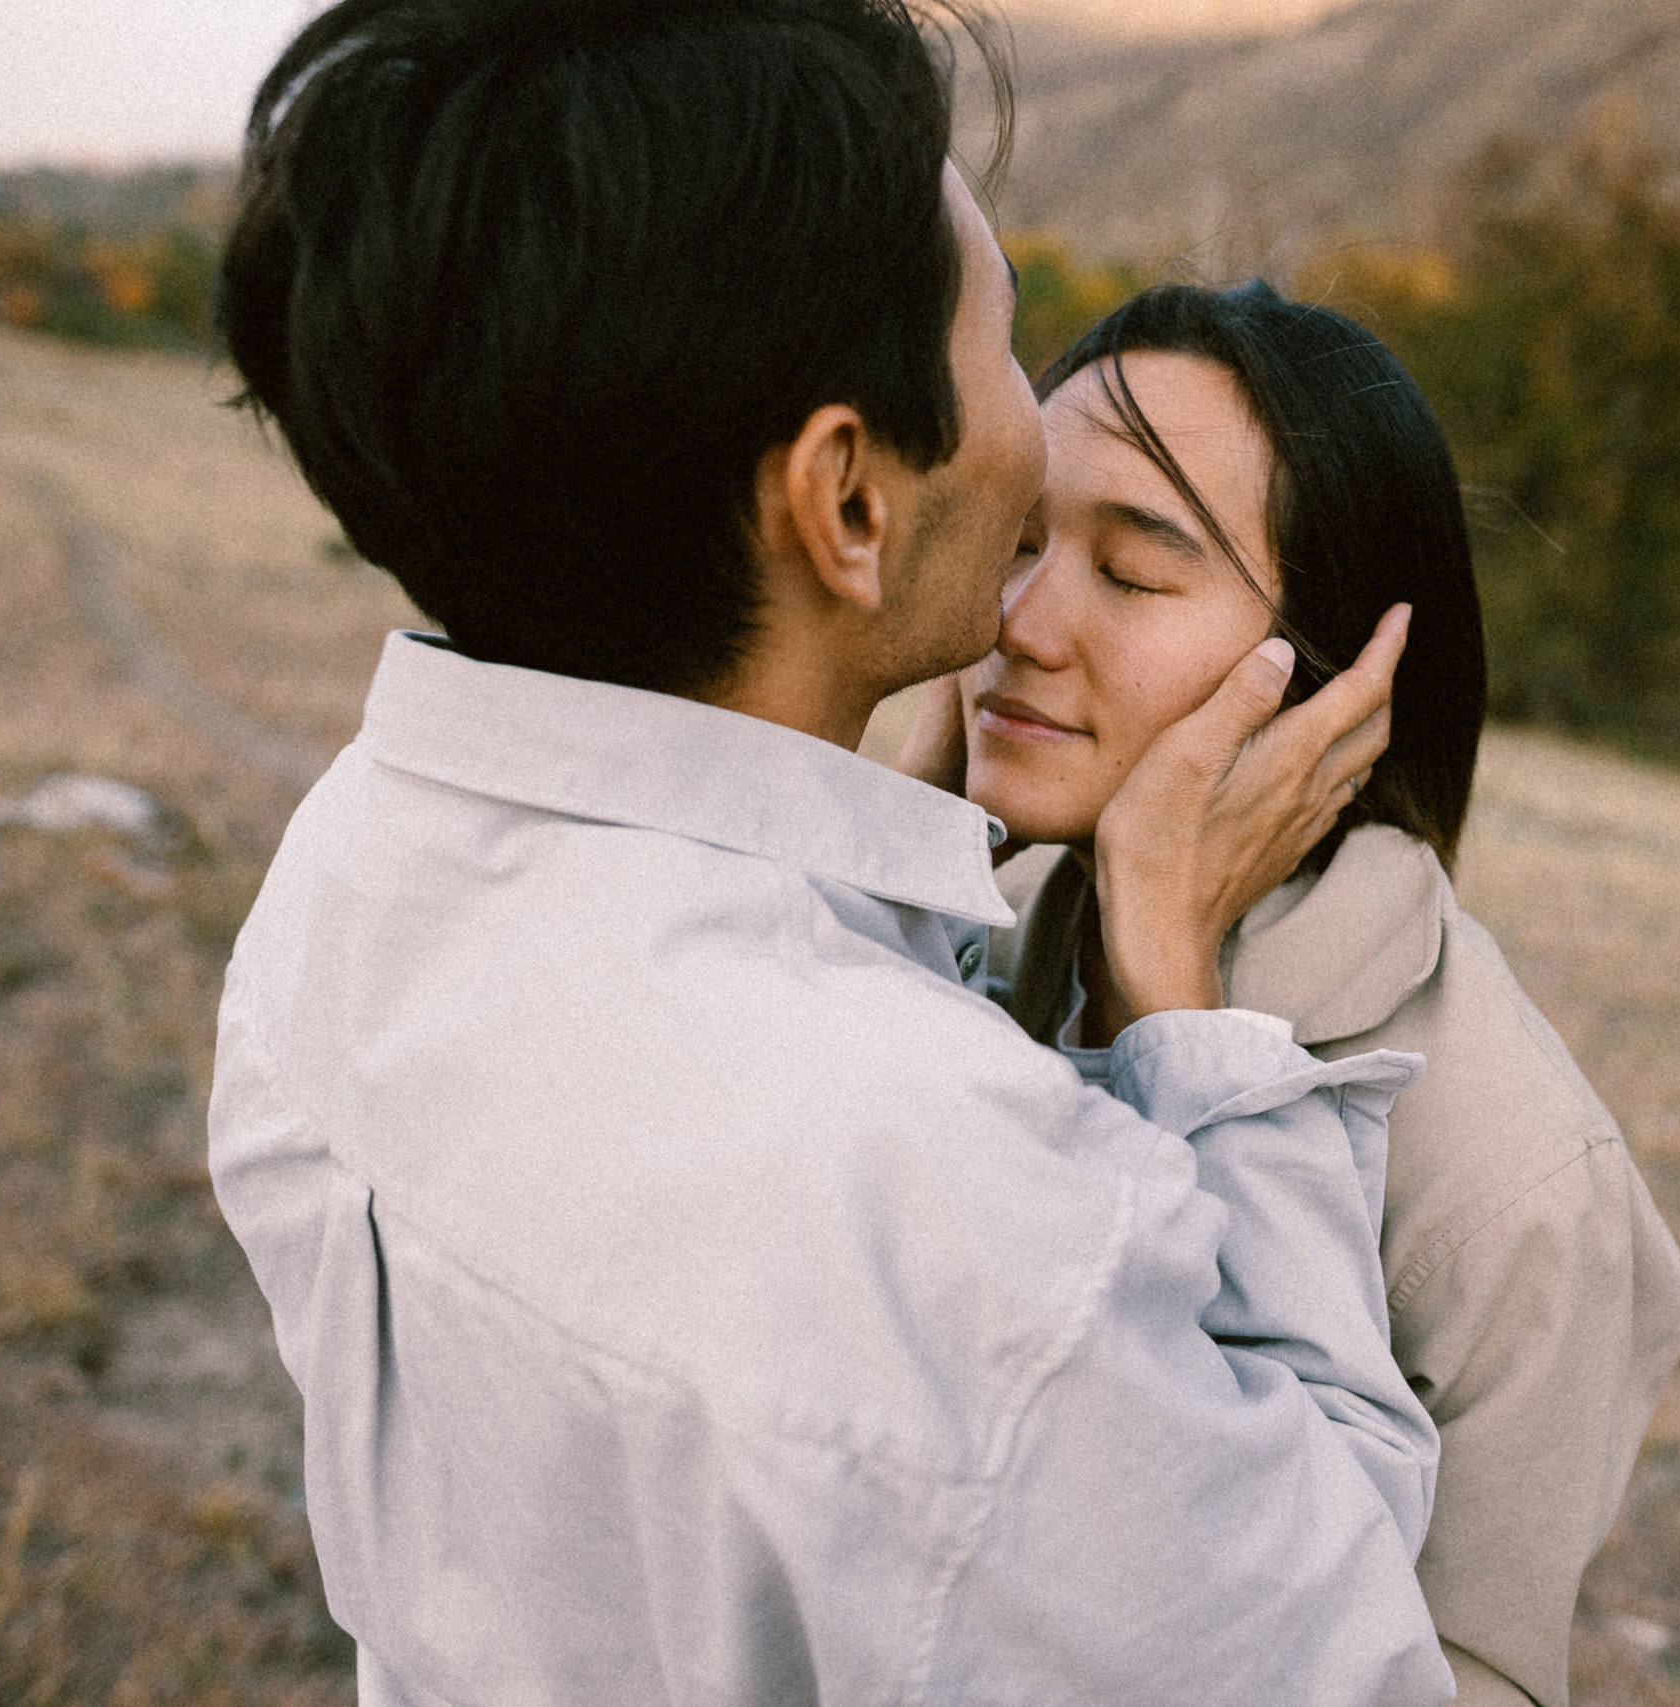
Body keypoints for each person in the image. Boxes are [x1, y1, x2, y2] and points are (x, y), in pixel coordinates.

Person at [203, 2, 1459, 1702]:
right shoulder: (939, 1202)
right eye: (1003, 345)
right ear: (849, 505)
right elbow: (1341, 1632)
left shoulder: (345, 870)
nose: (1036, 450)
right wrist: (1173, 989)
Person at [910, 281, 1680, 1707]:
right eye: (1020, 541)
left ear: (1338, 675)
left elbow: (1468, 1680)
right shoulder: (996, 917)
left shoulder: (1508, 1190)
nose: (1018, 618)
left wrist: (1173, 1007)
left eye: (1134, 574)